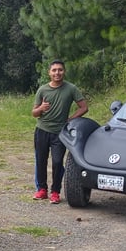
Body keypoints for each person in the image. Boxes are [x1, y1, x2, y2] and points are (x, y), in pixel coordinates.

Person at [31, 59, 88, 204]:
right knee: (41, 160)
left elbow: (84, 107)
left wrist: (71, 119)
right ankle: (41, 190)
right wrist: (41, 108)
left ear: (64, 72)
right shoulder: (42, 90)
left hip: (60, 133)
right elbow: (34, 113)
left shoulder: (71, 89)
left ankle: (55, 192)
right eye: (54, 70)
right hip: (42, 130)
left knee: (57, 162)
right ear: (49, 73)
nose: (57, 73)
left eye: (60, 70)